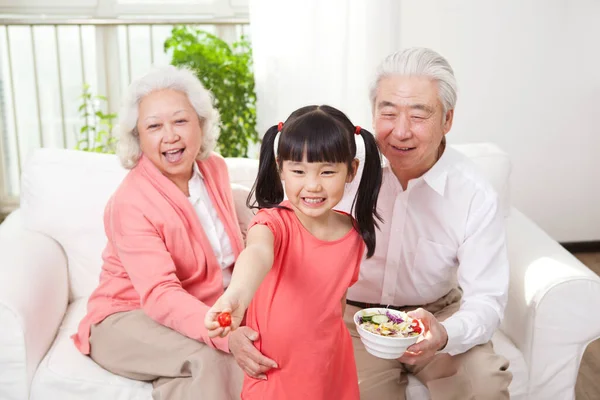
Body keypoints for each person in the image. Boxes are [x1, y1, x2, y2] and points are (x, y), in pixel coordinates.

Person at [338, 47, 513, 399]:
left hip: (438, 313)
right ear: (373, 114)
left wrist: (445, 334)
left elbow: (487, 299)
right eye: (388, 113)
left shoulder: (472, 191)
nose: (400, 132)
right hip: (357, 320)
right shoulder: (343, 171)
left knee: (486, 385)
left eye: (419, 115)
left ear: (447, 119)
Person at [72, 65, 245, 400]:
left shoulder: (215, 170)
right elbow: (160, 294)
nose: (170, 136)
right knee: (210, 356)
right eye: (154, 126)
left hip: (196, 310)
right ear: (139, 138)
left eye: (180, 121)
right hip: (125, 317)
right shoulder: (130, 201)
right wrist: (223, 332)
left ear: (201, 123)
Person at [204, 105, 383, 400]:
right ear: (281, 168)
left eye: (327, 172)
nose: (312, 185)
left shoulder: (353, 236)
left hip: (330, 371)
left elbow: (335, 306)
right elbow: (258, 254)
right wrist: (236, 295)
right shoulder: (272, 223)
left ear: (351, 170)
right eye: (298, 171)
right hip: (274, 374)